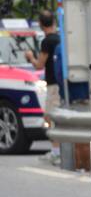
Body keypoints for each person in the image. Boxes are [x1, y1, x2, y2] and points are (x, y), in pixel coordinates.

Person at [24, 10, 61, 163]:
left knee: (50, 117)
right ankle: (59, 151)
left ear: (40, 24)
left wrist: (30, 57)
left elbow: (39, 65)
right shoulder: (59, 38)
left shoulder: (46, 41)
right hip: (61, 84)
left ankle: (56, 152)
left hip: (52, 85)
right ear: (53, 21)